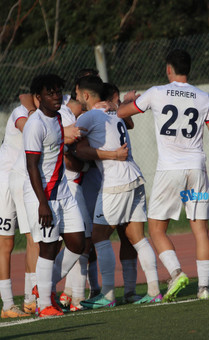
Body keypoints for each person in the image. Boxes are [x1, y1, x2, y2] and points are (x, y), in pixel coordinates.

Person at [118, 49, 209, 301]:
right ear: (188, 69)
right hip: (197, 168)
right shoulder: (203, 96)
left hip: (169, 169)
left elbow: (121, 114)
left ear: (169, 69)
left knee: (156, 229)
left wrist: (125, 100)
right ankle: (204, 289)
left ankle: (176, 272)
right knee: (201, 230)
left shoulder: (156, 92)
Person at [74, 76, 161, 308]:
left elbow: (75, 142)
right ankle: (153, 290)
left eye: (77, 96)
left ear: (85, 96)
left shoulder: (90, 115)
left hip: (116, 181)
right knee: (137, 238)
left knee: (100, 237)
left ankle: (108, 295)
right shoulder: (114, 114)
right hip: (135, 177)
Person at [23, 74, 85, 317]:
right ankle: (44, 305)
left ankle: (44, 287)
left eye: (58, 91)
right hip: (42, 196)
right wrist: (42, 204)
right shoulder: (35, 124)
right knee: (48, 247)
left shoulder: (58, 118)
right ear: (38, 98)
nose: (57, 96)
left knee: (78, 242)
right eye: (50, 93)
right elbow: (32, 166)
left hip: (63, 192)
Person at [0, 91, 40, 319]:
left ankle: (30, 300)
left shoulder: (42, 114)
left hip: (23, 181)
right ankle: (7, 305)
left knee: (32, 238)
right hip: (2, 182)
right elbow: (29, 129)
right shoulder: (21, 111)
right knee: (6, 243)